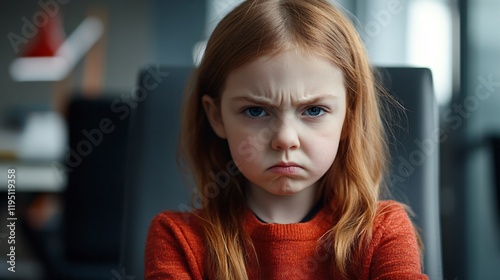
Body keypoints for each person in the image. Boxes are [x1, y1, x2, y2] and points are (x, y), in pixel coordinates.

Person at [145, 0, 428, 279]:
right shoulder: (178, 239)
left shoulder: (382, 232)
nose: (284, 139)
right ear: (217, 117)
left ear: (349, 118)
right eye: (256, 111)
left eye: (314, 110)